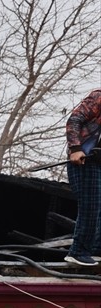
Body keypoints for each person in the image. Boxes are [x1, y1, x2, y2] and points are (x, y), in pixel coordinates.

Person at [64, 89, 101, 267]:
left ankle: (97, 249)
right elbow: (74, 120)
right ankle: (78, 251)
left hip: (98, 162)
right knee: (90, 205)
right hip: (84, 159)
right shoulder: (99, 97)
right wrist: (75, 149)